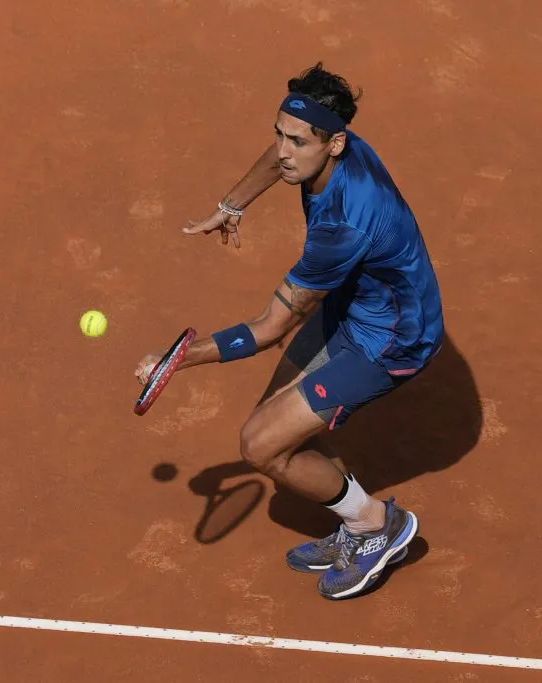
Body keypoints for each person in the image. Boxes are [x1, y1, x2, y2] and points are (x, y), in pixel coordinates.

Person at [136, 63, 444, 600]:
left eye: (297, 142)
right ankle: (354, 517)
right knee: (283, 421)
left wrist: (180, 359)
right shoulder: (329, 142)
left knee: (261, 444)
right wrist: (231, 205)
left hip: (393, 340)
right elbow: (281, 158)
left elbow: (270, 329)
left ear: (334, 144)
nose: (284, 151)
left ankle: (376, 525)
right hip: (357, 305)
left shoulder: (343, 226)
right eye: (279, 133)